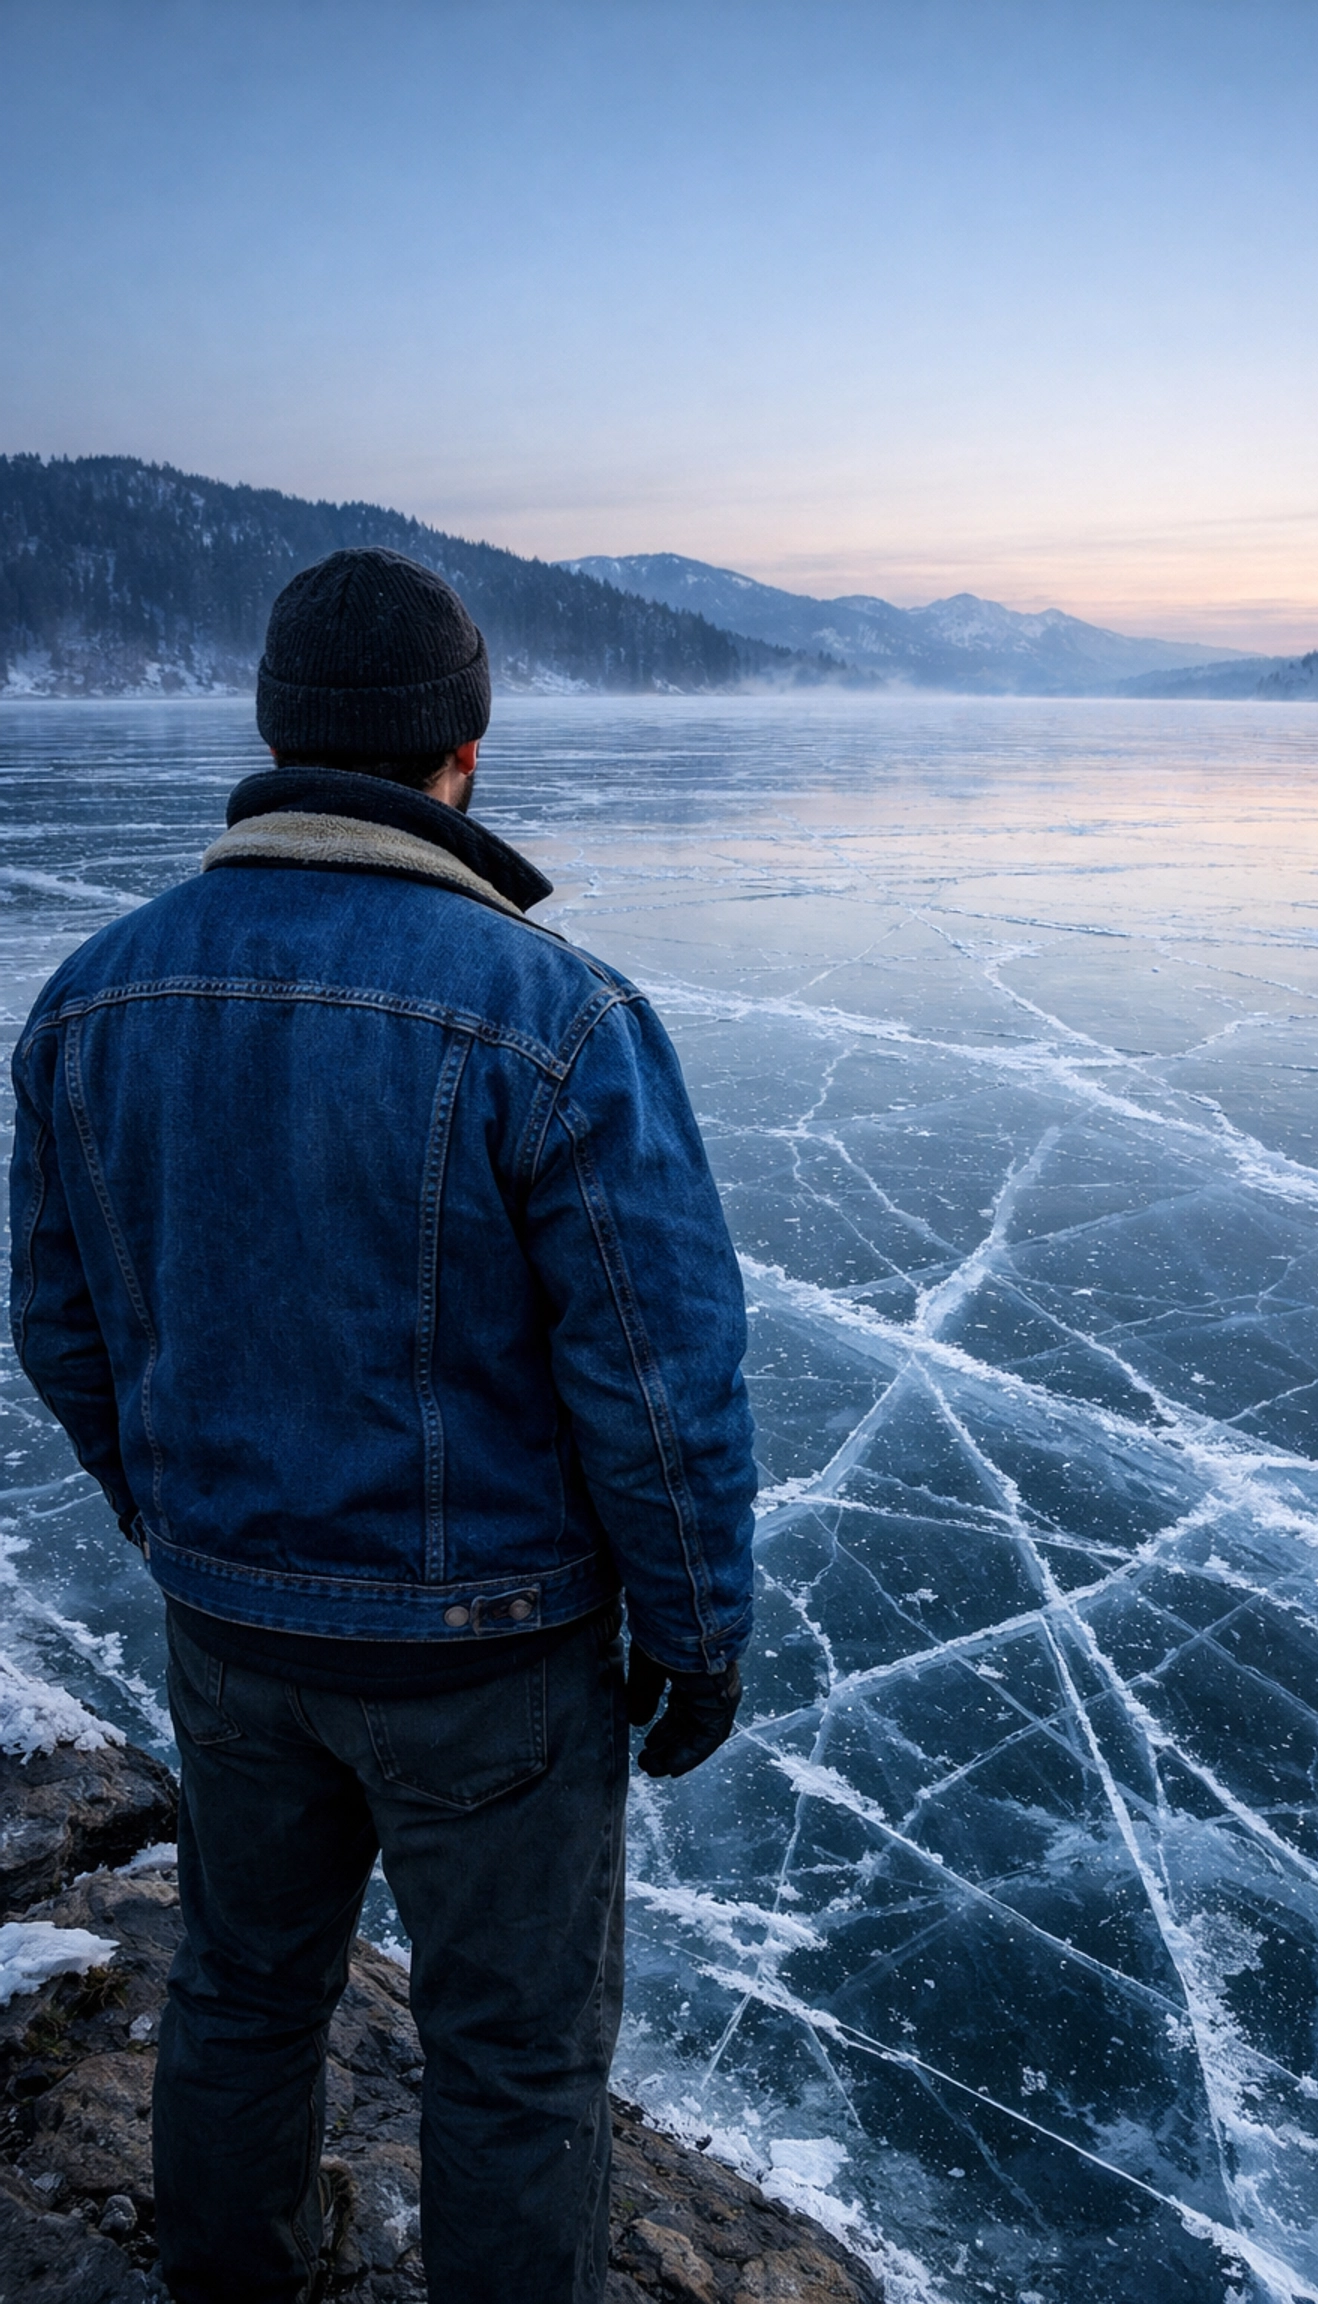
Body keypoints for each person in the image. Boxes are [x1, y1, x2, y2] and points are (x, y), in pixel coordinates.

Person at [8, 548, 757, 2304]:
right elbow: (657, 1379)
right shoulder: (554, 1019)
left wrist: (178, 1517)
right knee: (514, 2063)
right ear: (463, 757)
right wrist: (698, 1635)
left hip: (233, 1628)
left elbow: (59, 1322)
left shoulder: (92, 996)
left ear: (274, 730)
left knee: (246, 1992)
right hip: (485, 1659)